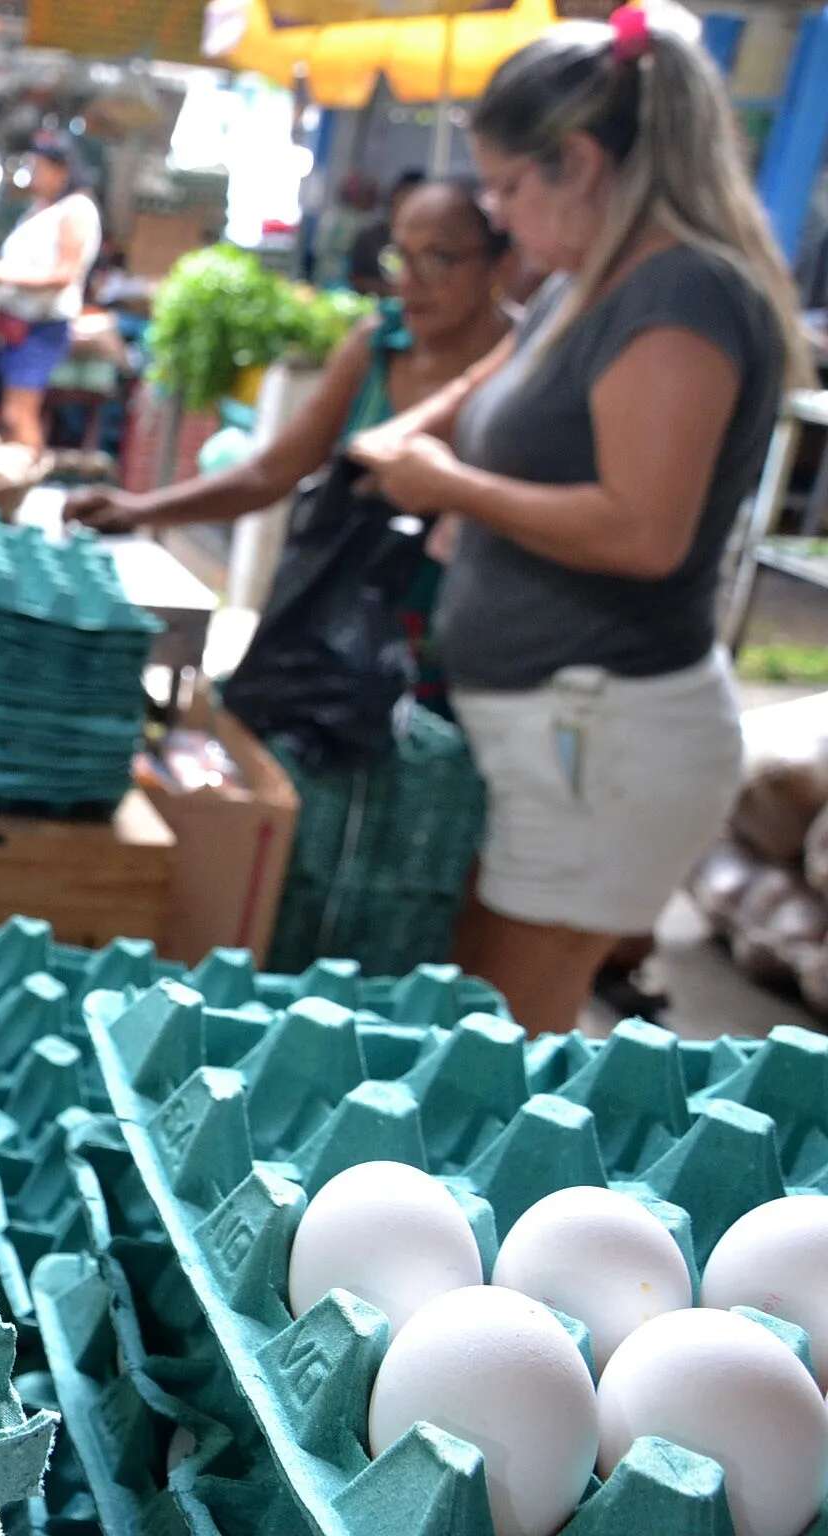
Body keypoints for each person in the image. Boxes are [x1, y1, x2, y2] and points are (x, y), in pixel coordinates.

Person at [348, 3, 804, 1035]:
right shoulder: (589, 281)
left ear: (583, 164)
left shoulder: (682, 295)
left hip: (607, 742)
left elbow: (645, 532)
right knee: (479, 1008)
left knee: (495, 1041)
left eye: (509, 186)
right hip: (550, 729)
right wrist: (400, 438)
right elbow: (483, 382)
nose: (498, 216)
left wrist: (452, 488)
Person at [70, 177, 513, 704]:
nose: (411, 283)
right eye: (401, 259)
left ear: (495, 264)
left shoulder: (526, 369)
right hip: (340, 641)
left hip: (468, 654)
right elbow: (271, 471)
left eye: (438, 259)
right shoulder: (375, 345)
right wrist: (139, 509)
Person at [0, 137, 101, 454]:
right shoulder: (41, 208)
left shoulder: (75, 210)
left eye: (38, 169)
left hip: (41, 327)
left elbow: (64, 275)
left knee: (19, 415)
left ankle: (25, 486)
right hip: (17, 324)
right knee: (11, 413)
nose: (33, 177)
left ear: (62, 172)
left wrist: (2, 274)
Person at [349, 170, 429, 296]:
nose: (411, 209)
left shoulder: (428, 244)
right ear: (393, 200)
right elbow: (356, 279)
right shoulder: (369, 238)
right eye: (405, 200)